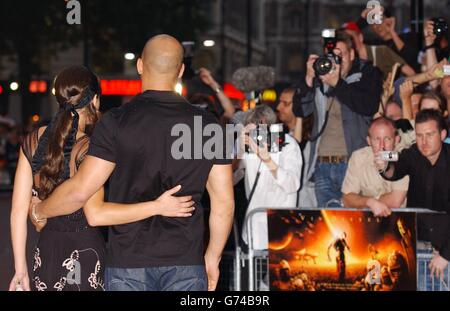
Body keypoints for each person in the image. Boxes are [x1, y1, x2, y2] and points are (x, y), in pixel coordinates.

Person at [31, 35, 234, 291]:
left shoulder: (116, 122)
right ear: (181, 70)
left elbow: (81, 189)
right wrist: (212, 258)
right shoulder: (207, 126)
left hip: (128, 263)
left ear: (140, 65)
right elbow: (224, 203)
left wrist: (41, 210)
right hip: (185, 260)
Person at [9, 66, 195, 291]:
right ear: (95, 100)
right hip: (85, 254)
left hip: (47, 251)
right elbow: (96, 214)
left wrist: (20, 269)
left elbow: (19, 210)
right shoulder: (91, 147)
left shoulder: (32, 141)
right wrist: (157, 206)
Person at [293, 30, 382, 207]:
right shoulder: (321, 77)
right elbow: (300, 110)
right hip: (322, 166)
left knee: (353, 224)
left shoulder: (367, 74)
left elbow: (368, 106)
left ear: (352, 54)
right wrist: (309, 79)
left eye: (341, 56)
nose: (336, 61)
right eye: (332, 56)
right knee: (328, 225)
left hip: (352, 164)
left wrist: (337, 84)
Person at [377, 109, 450, 281]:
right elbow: (395, 169)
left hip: (446, 250)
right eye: (419, 136)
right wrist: (384, 166)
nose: (423, 142)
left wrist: (446, 255)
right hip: (419, 246)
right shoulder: (413, 154)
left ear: (443, 134)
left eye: (430, 135)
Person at [240, 105, 302, 250]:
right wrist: (238, 148)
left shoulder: (288, 144)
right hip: (252, 229)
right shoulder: (247, 147)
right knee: (251, 270)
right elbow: (229, 177)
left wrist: (268, 160)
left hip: (279, 229)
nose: (257, 136)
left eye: (259, 131)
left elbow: (292, 184)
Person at [342, 117, 408, 217]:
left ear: (396, 140)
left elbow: (396, 201)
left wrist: (363, 201)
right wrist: (370, 202)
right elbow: (346, 199)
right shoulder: (358, 157)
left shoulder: (403, 157)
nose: (382, 145)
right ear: (369, 141)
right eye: (377, 139)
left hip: (399, 219)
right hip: (368, 220)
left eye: (387, 139)